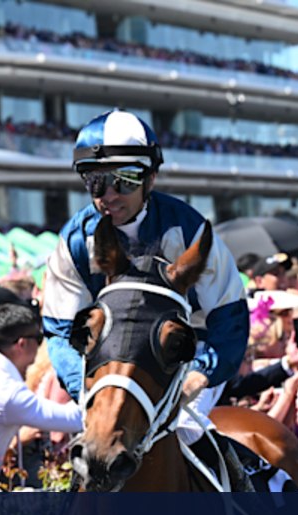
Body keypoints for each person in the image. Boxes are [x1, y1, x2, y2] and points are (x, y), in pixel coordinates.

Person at [42, 109, 248, 452]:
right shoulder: (74, 243)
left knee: (183, 432)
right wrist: (88, 389)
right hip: (111, 370)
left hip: (187, 360)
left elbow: (230, 317)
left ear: (151, 179)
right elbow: (61, 331)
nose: (107, 195)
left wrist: (201, 373)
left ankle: (239, 482)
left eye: (123, 180)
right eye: (95, 181)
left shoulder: (189, 230)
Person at [0, 304, 82, 489]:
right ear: (22, 344)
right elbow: (76, 419)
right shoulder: (8, 392)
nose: (42, 345)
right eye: (39, 338)